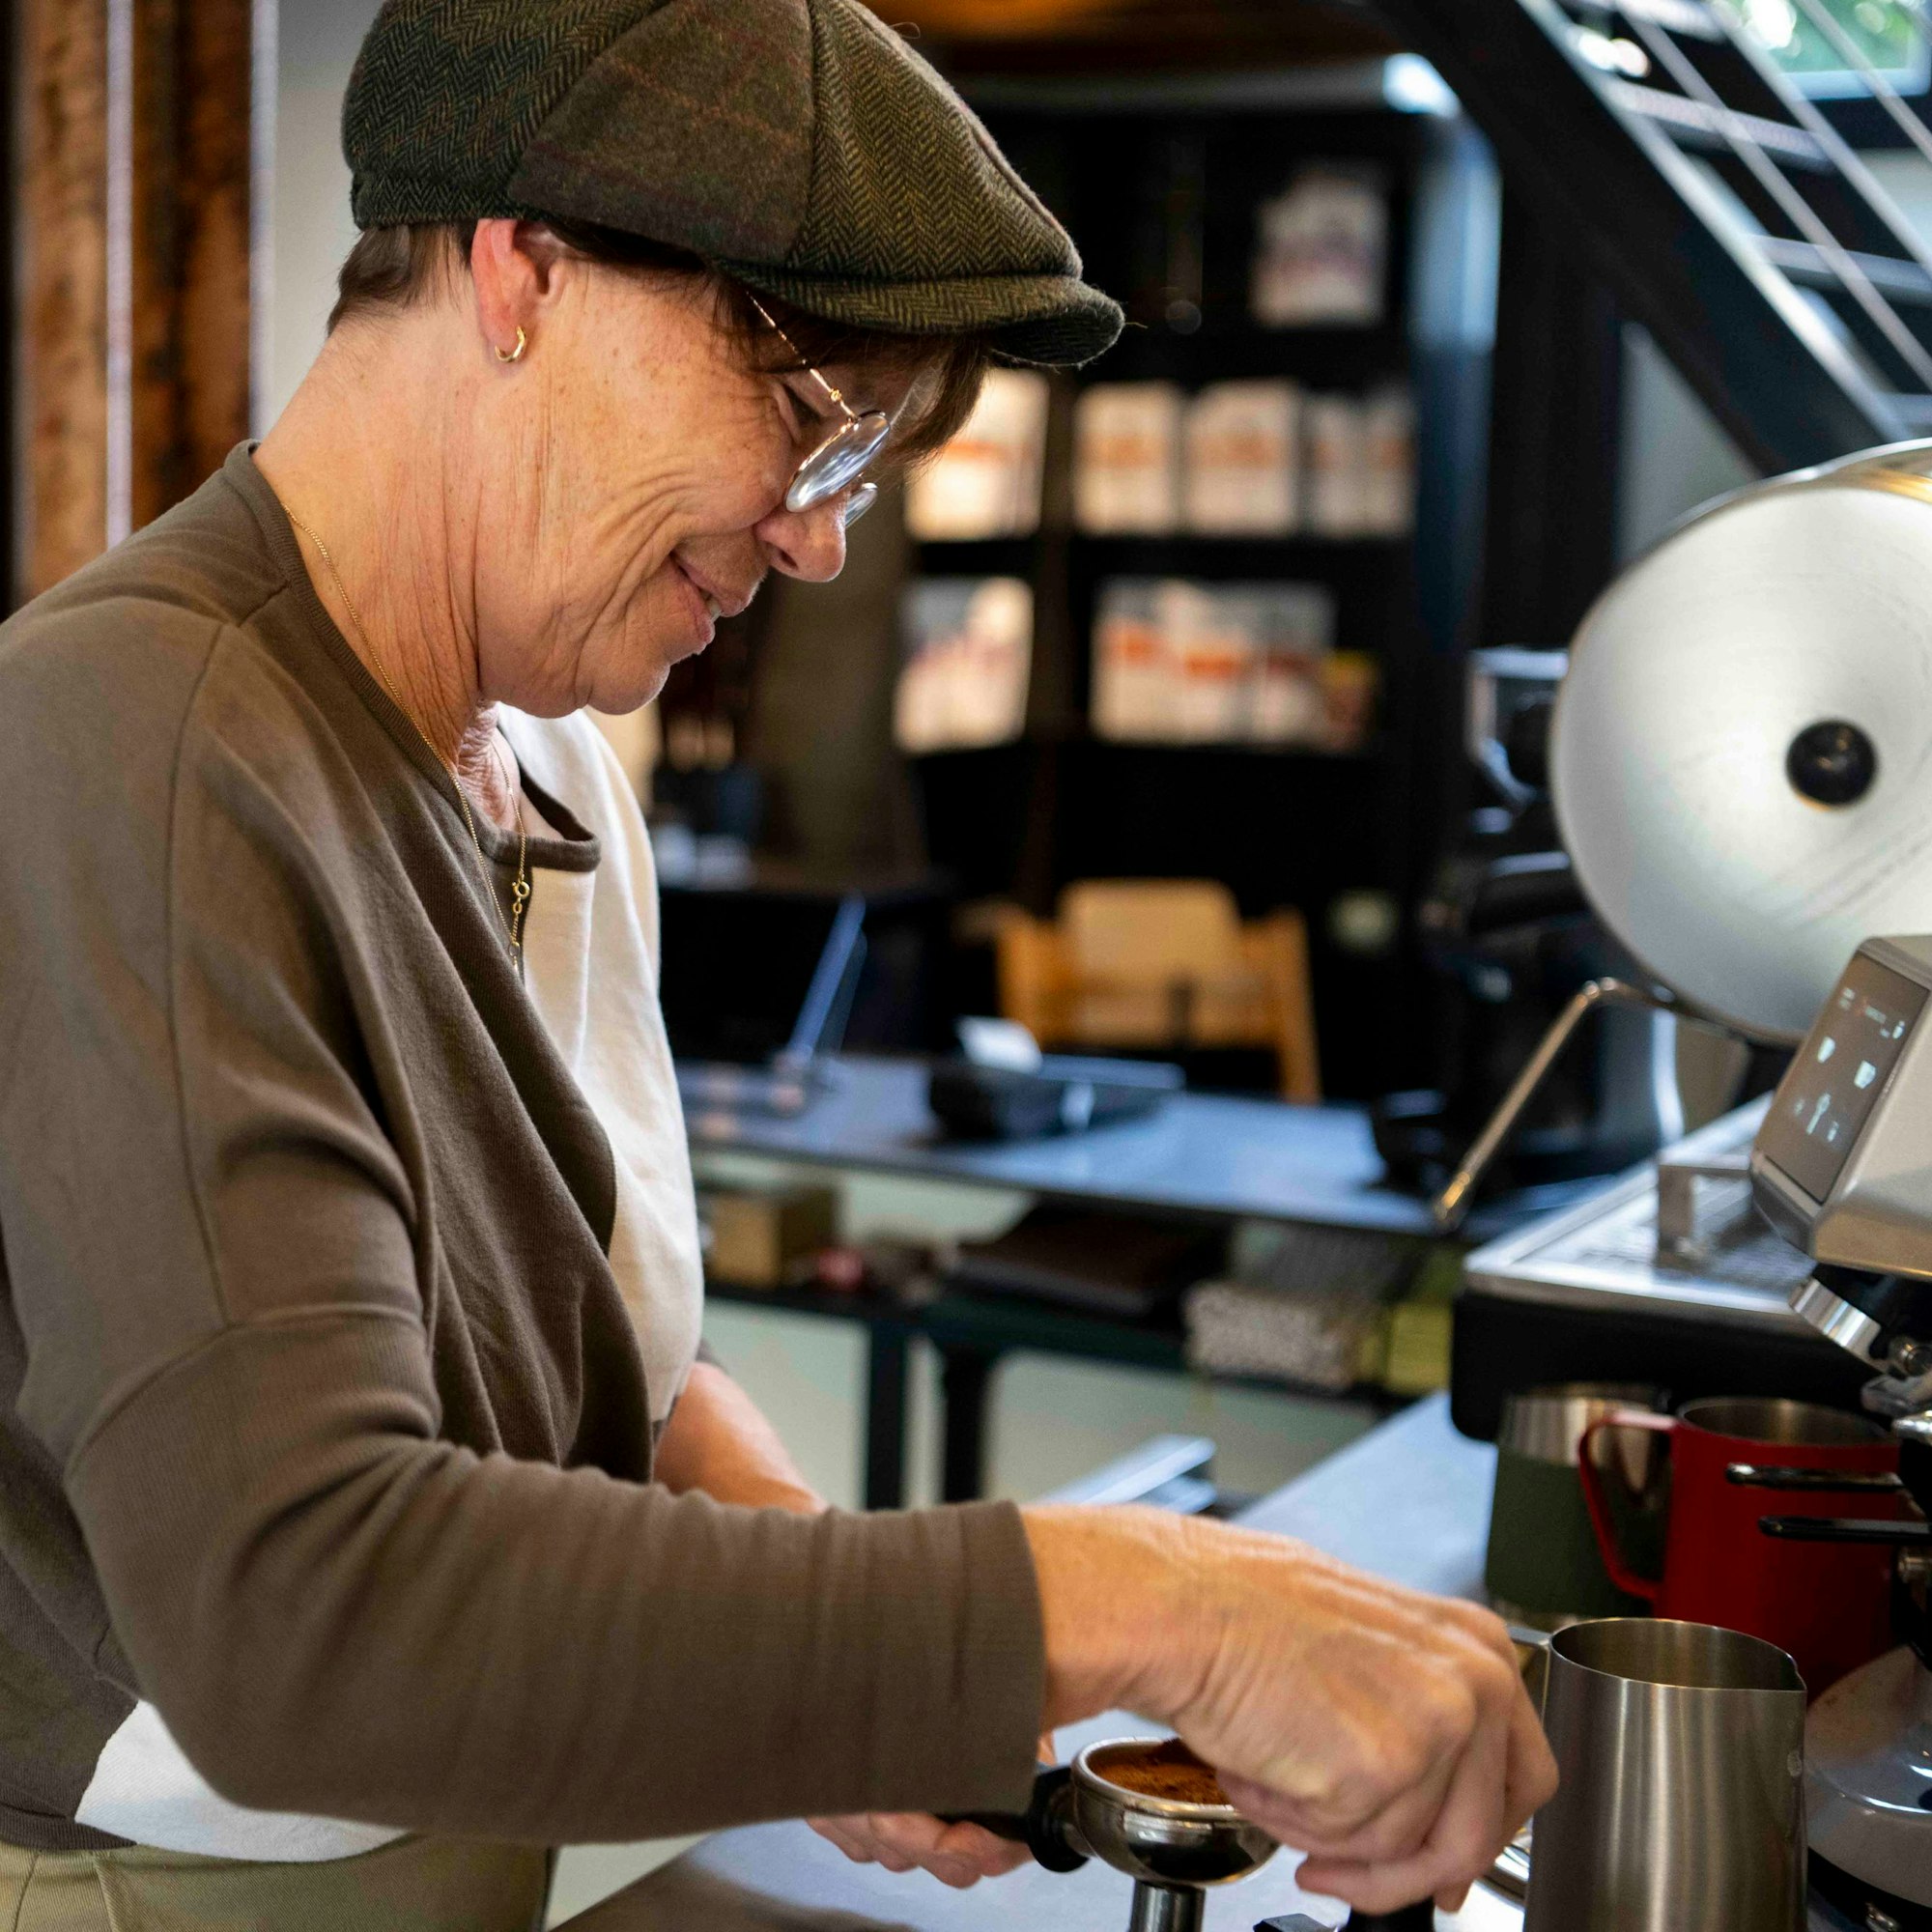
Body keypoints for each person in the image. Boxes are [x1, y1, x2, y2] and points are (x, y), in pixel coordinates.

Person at [0, 2, 1555, 1926]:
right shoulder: (136, 742)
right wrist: (1139, 1600)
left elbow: (625, 1374)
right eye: (811, 427)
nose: (819, 550)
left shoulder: (550, 749)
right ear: (527, 274)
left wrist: (865, 1663)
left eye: (862, 474)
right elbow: (303, 1623)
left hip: (490, 1836)